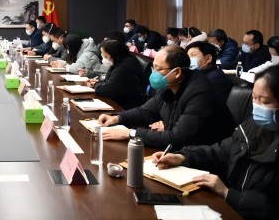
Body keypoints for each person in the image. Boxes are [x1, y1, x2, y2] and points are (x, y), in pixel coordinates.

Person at [153, 67, 279, 220]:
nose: (256, 106)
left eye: (264, 101)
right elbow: (221, 151)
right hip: (231, 209)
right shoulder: (253, 125)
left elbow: (271, 207)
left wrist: (227, 193)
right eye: (254, 98)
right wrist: (182, 157)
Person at [98, 45, 235, 149]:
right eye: (154, 68)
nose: (154, 73)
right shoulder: (168, 86)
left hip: (206, 160)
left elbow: (177, 138)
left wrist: (131, 133)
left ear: (177, 72)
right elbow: (145, 111)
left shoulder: (200, 94)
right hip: (183, 152)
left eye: (159, 69)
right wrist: (117, 118)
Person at [87, 40, 148, 110]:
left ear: (114, 55)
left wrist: (95, 84)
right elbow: (110, 81)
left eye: (106, 57)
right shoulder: (123, 61)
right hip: (123, 101)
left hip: (126, 106)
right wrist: (98, 82)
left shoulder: (124, 69)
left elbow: (108, 90)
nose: (104, 59)